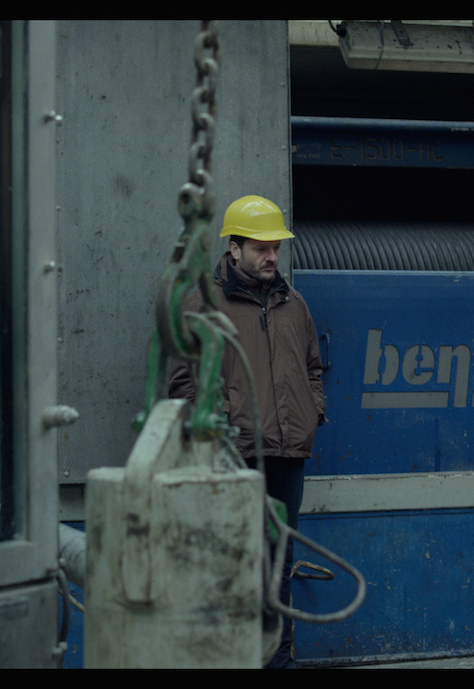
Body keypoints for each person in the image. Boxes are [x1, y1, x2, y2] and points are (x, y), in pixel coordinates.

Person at [167, 194, 326, 669]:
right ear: (233, 248)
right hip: (232, 456)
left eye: (275, 247)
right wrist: (220, 426)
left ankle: (278, 662)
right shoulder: (202, 304)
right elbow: (181, 384)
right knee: (231, 561)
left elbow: (313, 368)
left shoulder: (294, 303)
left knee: (278, 563)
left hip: (287, 454)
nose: (271, 256)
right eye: (260, 248)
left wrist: (312, 410)